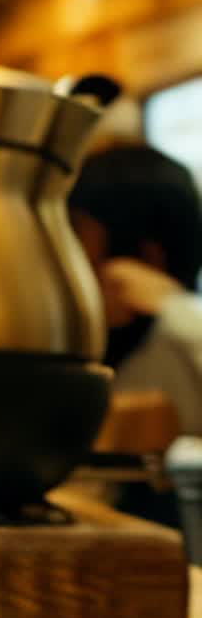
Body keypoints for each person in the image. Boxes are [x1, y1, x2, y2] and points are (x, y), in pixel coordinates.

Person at [69, 96, 202, 436]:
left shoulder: (176, 342)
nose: (68, 256)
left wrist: (172, 308)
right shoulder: (85, 346)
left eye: (79, 235)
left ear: (144, 259)